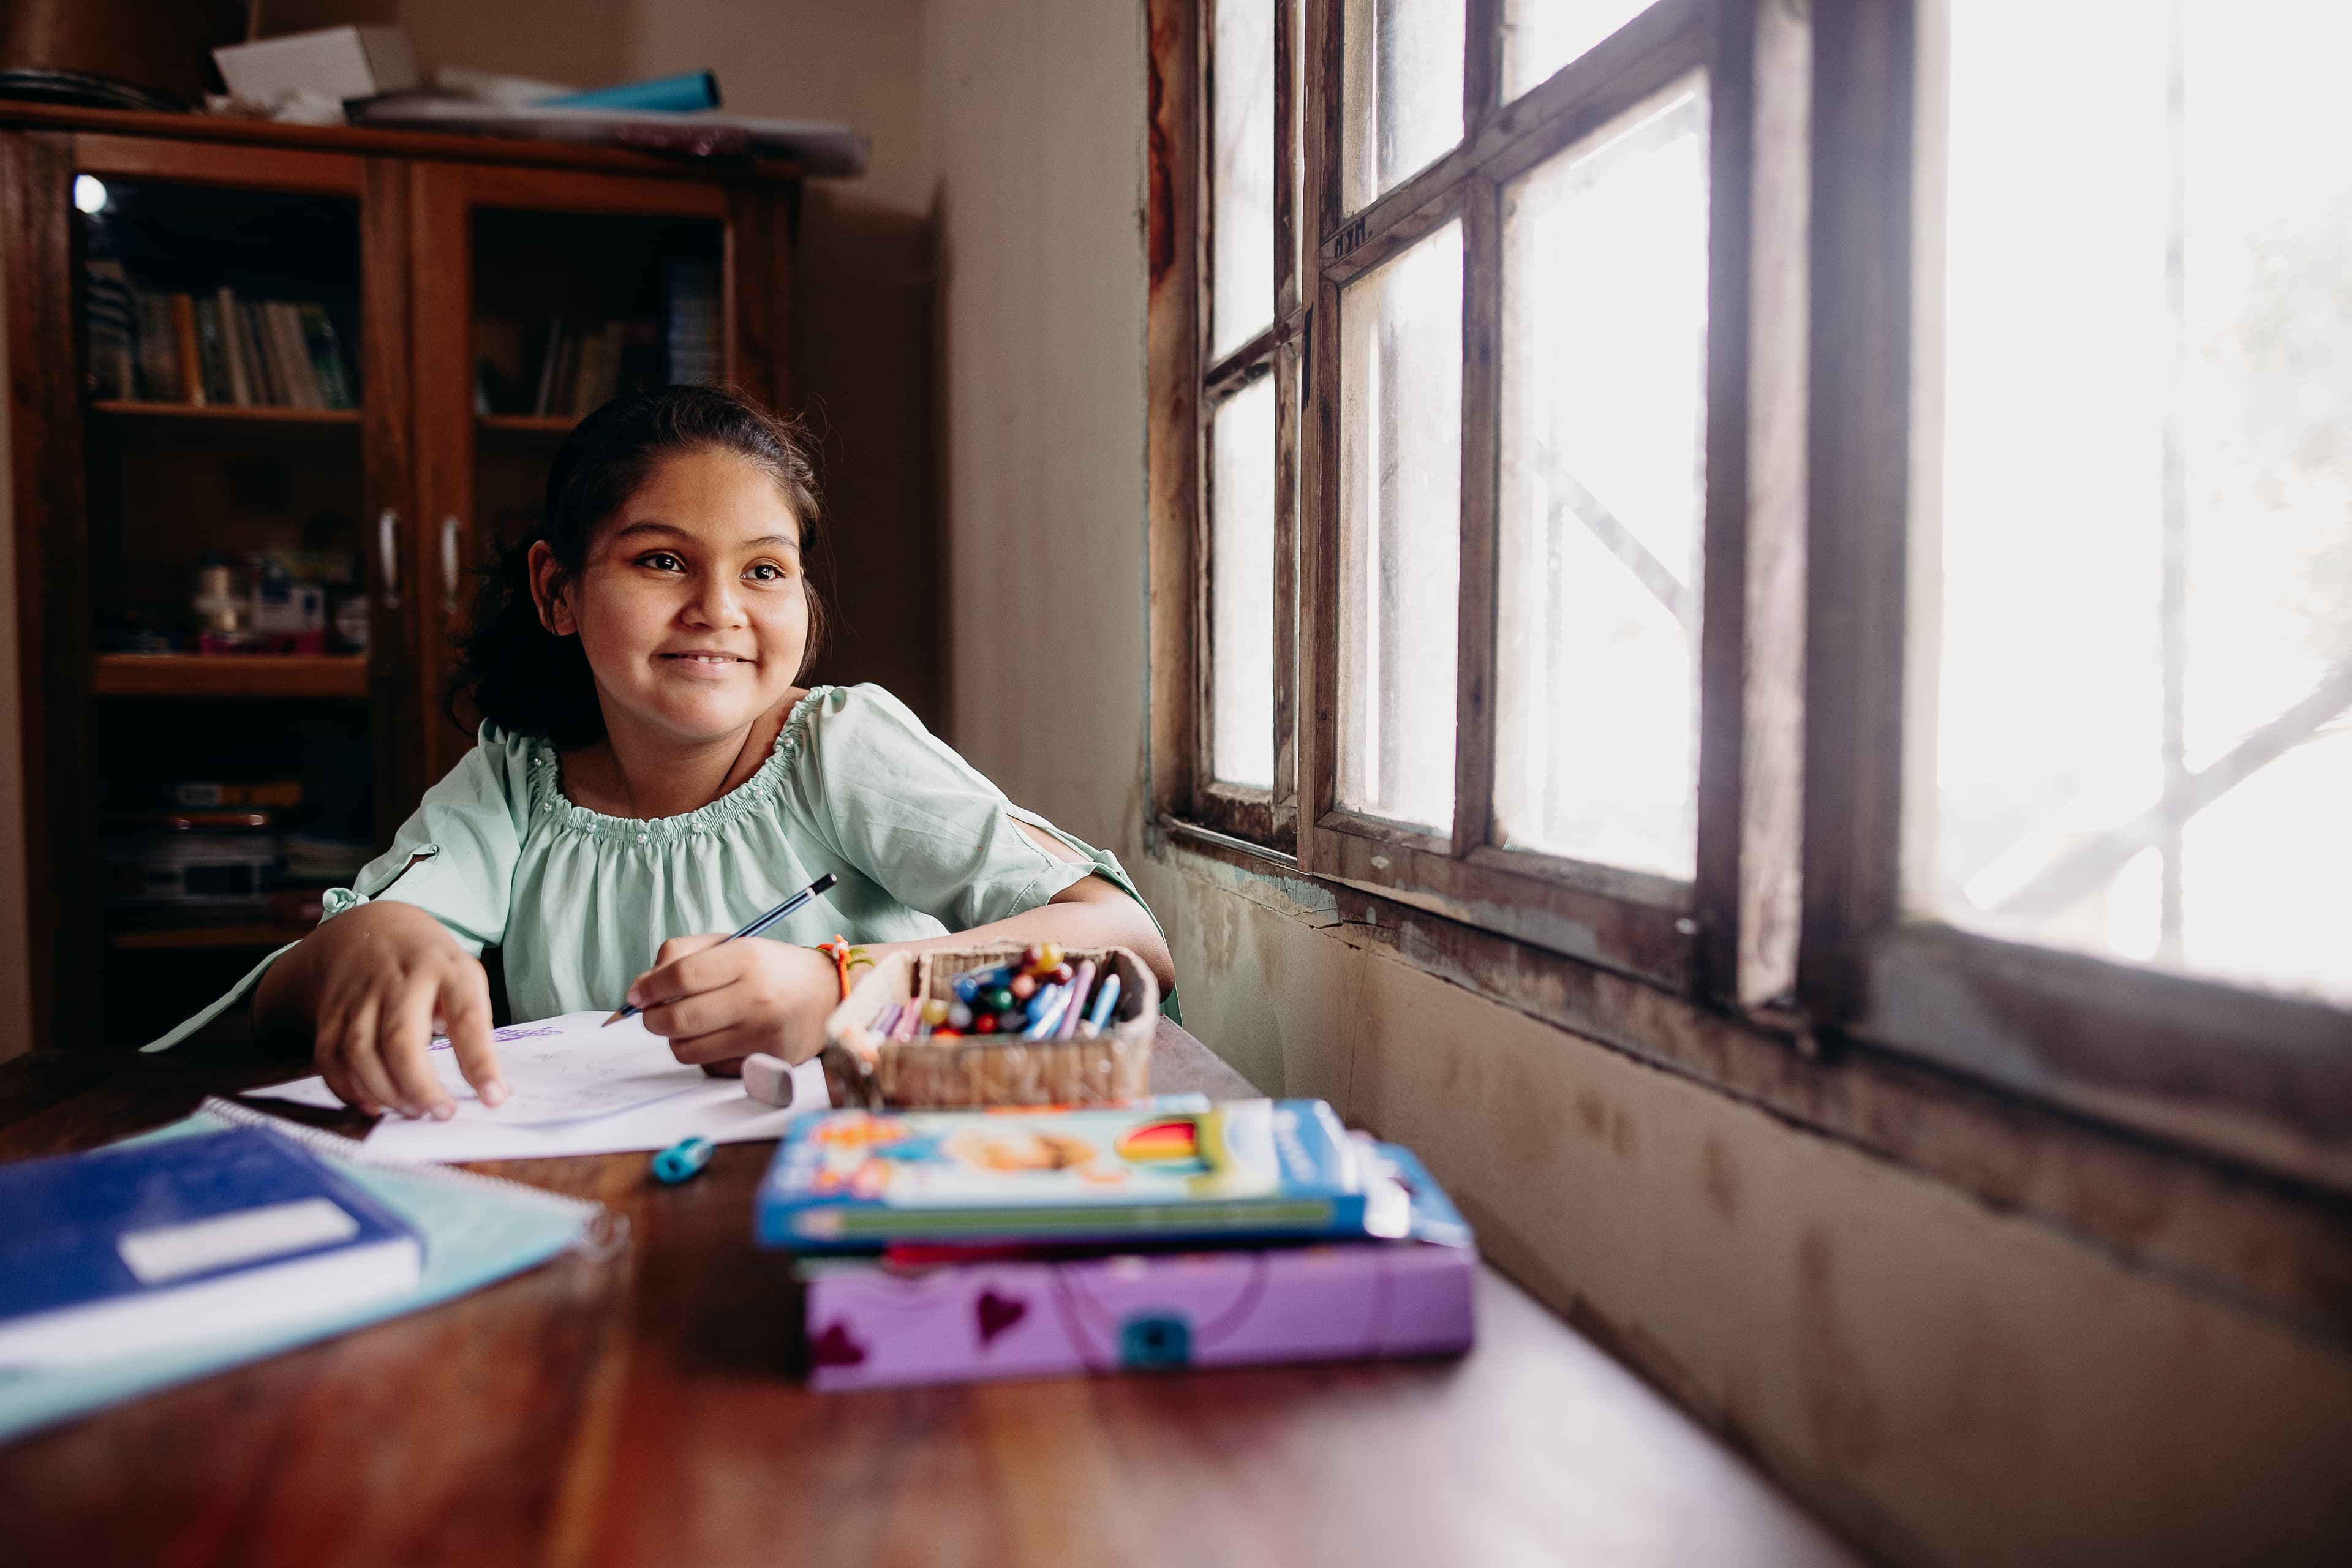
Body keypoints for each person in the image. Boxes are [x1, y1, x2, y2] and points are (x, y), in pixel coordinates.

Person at [148, 386, 1174, 1121]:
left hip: (863, 1188)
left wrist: (841, 984)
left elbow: (1125, 936)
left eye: (765, 570)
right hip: (607, 1206)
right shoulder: (514, 783)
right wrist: (361, 946)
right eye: (662, 560)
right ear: (558, 591)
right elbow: (284, 1002)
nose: (719, 610)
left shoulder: (838, 749)